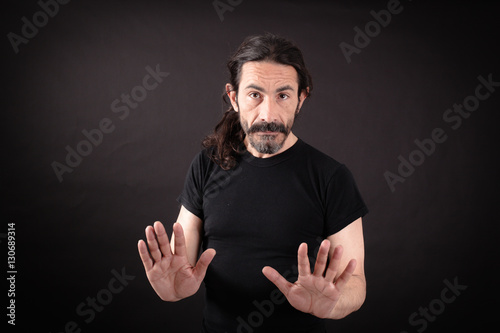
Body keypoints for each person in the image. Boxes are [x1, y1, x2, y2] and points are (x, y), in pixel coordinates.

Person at [138, 33, 368, 333]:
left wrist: (333, 304)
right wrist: (173, 290)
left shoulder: (331, 177)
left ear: (301, 98)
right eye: (255, 94)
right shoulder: (207, 165)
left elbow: (356, 283)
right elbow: (181, 265)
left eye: (283, 95)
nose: (268, 114)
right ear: (234, 98)